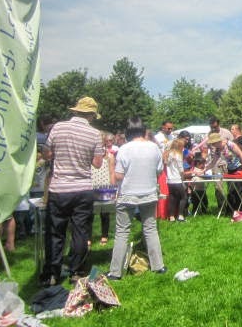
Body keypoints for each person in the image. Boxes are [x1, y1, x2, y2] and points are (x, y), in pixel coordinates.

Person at [40, 97, 105, 286]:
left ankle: (52, 273)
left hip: (59, 188)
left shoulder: (58, 127)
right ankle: (76, 271)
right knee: (80, 232)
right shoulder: (95, 134)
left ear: (76, 111)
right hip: (83, 189)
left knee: (55, 232)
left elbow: (47, 153)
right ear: (91, 115)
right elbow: (97, 163)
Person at [107, 117, 166, 280]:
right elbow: (159, 171)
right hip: (149, 193)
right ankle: (158, 266)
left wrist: (112, 167)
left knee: (122, 232)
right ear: (143, 130)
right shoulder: (154, 147)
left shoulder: (124, 149)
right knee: (150, 229)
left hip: (128, 194)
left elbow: (119, 176)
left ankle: (115, 272)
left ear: (128, 132)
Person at [205, 132, 242, 214]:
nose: (212, 145)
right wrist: (204, 169)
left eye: (213, 143)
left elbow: (241, 154)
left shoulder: (230, 145)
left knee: (238, 190)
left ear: (217, 141)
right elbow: (213, 162)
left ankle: (240, 211)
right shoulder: (218, 150)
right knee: (231, 191)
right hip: (230, 170)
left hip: (239, 168)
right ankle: (231, 211)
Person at [91, 132, 117, 245]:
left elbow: (112, 172)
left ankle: (104, 235)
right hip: (91, 185)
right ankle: (88, 236)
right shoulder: (90, 155)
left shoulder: (109, 156)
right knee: (90, 213)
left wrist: (113, 188)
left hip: (105, 186)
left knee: (105, 213)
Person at [165, 138, 187, 222]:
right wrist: (183, 177)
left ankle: (171, 217)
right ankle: (180, 216)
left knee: (172, 198)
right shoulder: (178, 155)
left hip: (169, 180)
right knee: (183, 197)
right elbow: (181, 169)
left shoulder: (168, 155)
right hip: (177, 179)